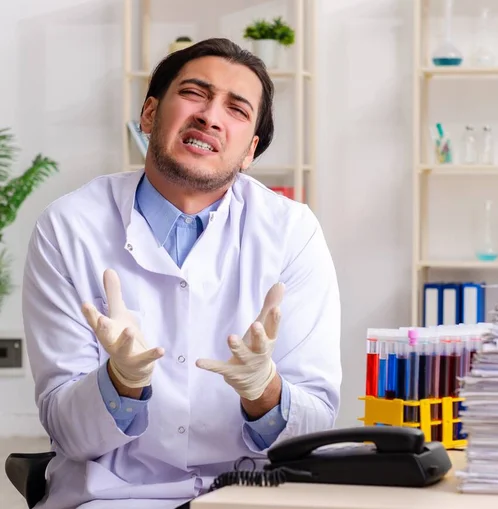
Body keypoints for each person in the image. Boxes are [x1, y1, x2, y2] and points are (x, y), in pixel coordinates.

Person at [22, 37, 341, 509]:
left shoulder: (293, 231)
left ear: (250, 150)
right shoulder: (68, 227)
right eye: (194, 93)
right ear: (149, 115)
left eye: (236, 109)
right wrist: (121, 381)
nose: (210, 116)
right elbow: (68, 434)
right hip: (114, 498)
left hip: (253, 496)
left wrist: (265, 391)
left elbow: (316, 427)